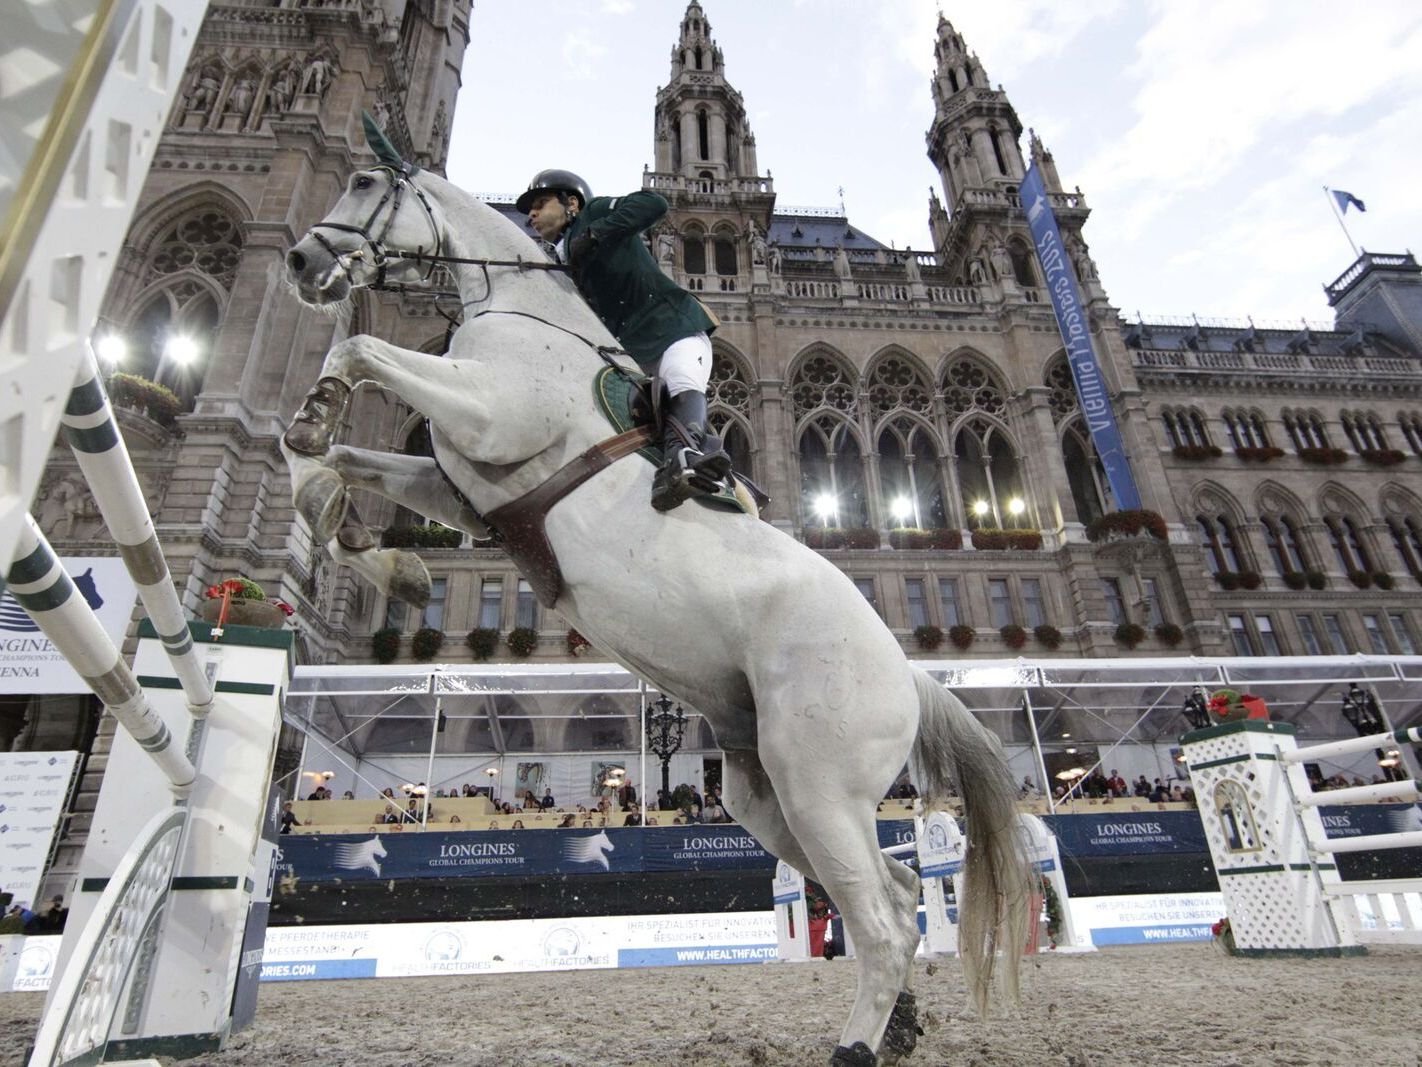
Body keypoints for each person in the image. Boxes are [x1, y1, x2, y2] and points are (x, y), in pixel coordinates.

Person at [517, 170, 731, 511]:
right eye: (530, 210)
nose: (531, 215)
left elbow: (654, 203)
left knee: (680, 378)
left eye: (540, 204)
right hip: (627, 354)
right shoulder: (556, 260)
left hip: (673, 328)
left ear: (571, 203)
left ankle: (689, 457)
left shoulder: (596, 212)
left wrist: (597, 233)